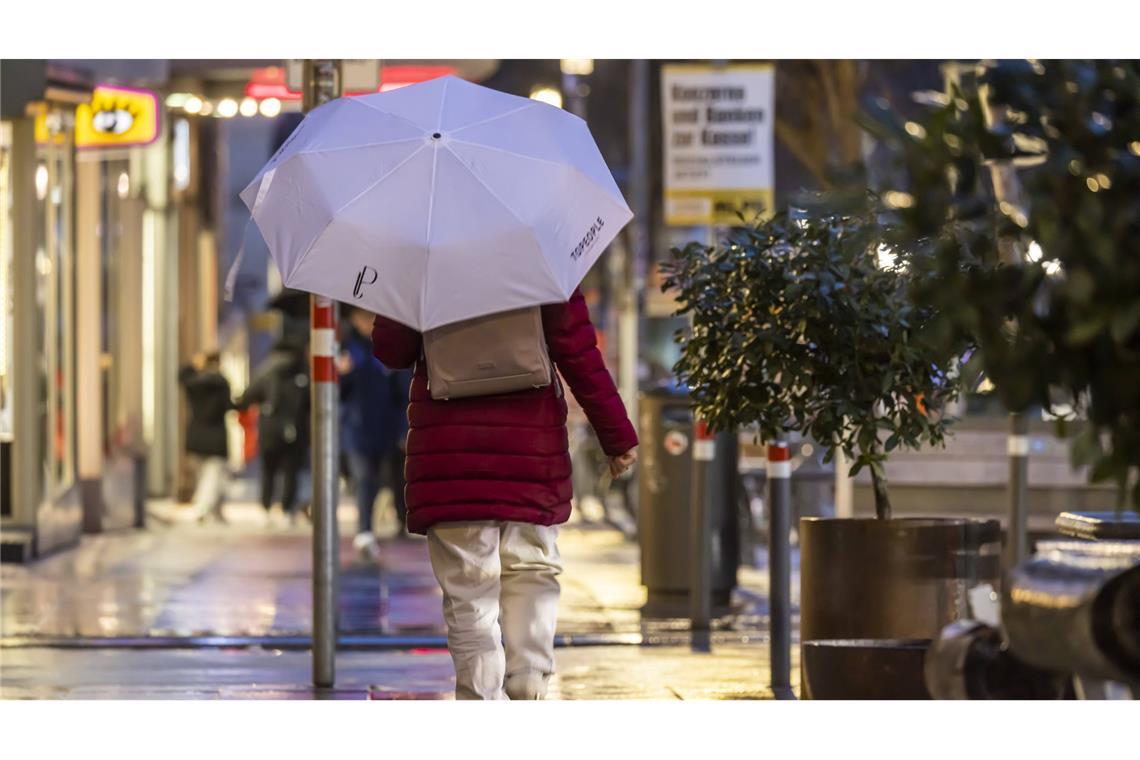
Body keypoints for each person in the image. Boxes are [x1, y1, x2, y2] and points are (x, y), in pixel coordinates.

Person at [371, 289, 638, 700]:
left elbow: (391, 349)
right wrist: (616, 435)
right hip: (532, 452)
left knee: (469, 594)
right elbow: (577, 351)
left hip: (450, 455)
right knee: (532, 568)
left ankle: (480, 699)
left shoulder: (420, 258)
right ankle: (528, 676)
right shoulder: (541, 252)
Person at [338, 306, 411, 558]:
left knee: (391, 479)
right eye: (359, 317)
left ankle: (400, 521)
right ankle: (364, 530)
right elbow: (338, 393)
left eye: (368, 316)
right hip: (357, 430)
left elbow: (402, 393)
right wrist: (342, 374)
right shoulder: (347, 347)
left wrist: (403, 428)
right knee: (364, 478)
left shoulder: (389, 348)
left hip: (386, 427)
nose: (364, 322)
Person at [236, 333, 311, 526]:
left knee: (268, 470)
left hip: (269, 430)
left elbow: (247, 398)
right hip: (296, 430)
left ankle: (265, 508)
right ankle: (286, 510)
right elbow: (311, 404)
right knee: (290, 472)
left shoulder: (265, 371)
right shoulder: (303, 372)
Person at [178, 351, 233, 523]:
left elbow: (181, 374)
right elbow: (228, 405)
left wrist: (195, 362)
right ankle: (203, 508)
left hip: (196, 435)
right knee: (213, 476)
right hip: (215, 436)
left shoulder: (195, 383)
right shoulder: (222, 382)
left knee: (205, 475)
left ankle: (213, 509)